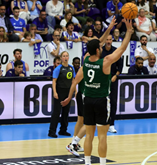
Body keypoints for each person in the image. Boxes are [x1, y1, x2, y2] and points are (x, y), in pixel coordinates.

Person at [61, 17, 133, 165]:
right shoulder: (105, 63)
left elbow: (96, 44)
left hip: (87, 100)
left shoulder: (86, 60)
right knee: (102, 137)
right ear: (97, 50)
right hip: (101, 100)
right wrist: (129, 32)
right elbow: (122, 48)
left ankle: (87, 163)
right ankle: (102, 163)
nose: (101, 48)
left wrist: (109, 28)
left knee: (88, 135)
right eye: (100, 48)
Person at [48, 51, 76, 138]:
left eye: (67, 56)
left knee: (66, 112)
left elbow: (73, 81)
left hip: (68, 92)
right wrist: (55, 92)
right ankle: (52, 131)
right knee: (56, 112)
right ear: (61, 58)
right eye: (64, 56)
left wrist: (75, 90)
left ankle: (63, 130)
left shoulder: (71, 68)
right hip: (60, 91)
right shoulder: (58, 68)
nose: (65, 57)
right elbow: (54, 81)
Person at [101, 35, 123, 133]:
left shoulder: (116, 51)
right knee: (102, 101)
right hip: (102, 80)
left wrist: (116, 75)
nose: (108, 41)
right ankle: (101, 122)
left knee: (113, 102)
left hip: (113, 79)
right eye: (107, 39)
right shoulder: (100, 51)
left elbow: (120, 66)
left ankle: (111, 124)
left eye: (110, 39)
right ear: (105, 41)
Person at [66, 56, 86, 156]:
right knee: (86, 121)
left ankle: (75, 143)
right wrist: (70, 96)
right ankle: (73, 144)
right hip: (82, 96)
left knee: (81, 120)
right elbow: (74, 82)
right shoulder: (83, 69)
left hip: (83, 95)